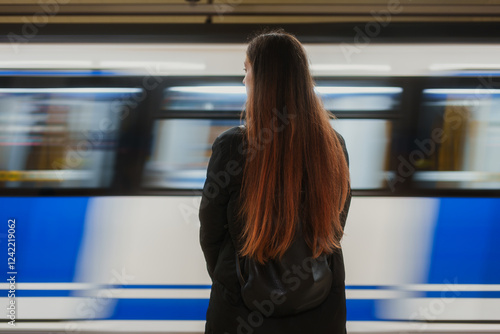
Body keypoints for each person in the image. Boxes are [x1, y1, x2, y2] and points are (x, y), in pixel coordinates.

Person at [199, 29, 352, 334]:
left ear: (263, 79)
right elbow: (336, 221)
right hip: (319, 307)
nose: (244, 81)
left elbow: (211, 229)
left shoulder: (233, 146)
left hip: (241, 309)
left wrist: (235, 273)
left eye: (247, 71)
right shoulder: (334, 145)